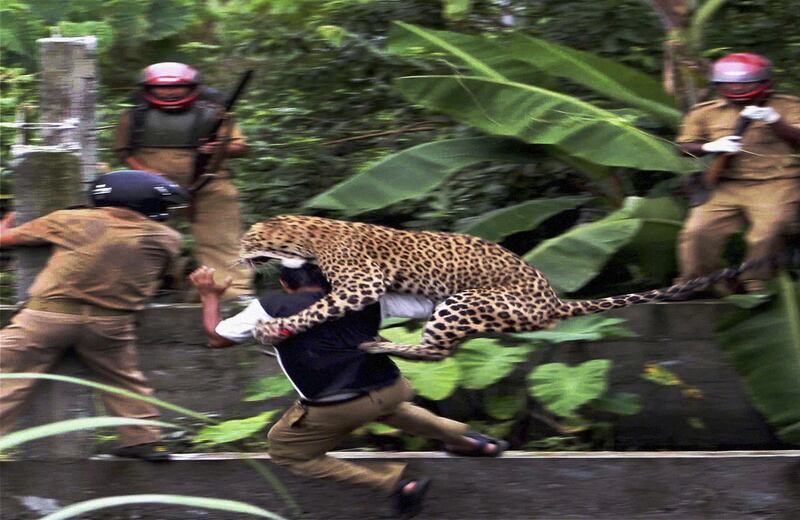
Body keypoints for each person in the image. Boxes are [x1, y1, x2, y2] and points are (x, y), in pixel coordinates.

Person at [190, 263, 509, 519]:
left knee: (286, 449)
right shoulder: (366, 297)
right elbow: (430, 304)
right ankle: (469, 439)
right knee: (390, 408)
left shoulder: (271, 307)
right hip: (391, 388)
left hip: (338, 404)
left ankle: (398, 484)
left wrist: (210, 296)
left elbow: (218, 338)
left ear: (287, 285)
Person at [0, 170, 187, 461]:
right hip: (111, 325)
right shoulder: (168, 239)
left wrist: (8, 221)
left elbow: (6, 238)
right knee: (124, 380)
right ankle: (143, 438)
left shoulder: (73, 219)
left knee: (7, 375)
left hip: (47, 317)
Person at [113, 62, 252, 300]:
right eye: (162, 88)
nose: (169, 93)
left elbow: (240, 146)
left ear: (192, 87)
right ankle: (151, 288)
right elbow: (123, 151)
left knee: (221, 239)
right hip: (153, 189)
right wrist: (145, 172)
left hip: (209, 184)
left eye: (178, 88)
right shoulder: (133, 116)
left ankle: (232, 292)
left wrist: (219, 147)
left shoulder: (215, 112)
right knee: (146, 239)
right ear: (148, 89)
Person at [675, 52, 800, 294]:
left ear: (764, 82)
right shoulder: (705, 112)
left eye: (746, 83)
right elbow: (684, 148)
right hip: (725, 183)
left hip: (777, 181)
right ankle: (696, 282)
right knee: (697, 231)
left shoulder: (790, 106)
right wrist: (711, 146)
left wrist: (775, 121)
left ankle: (755, 281)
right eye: (729, 83)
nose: (737, 88)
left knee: (770, 228)